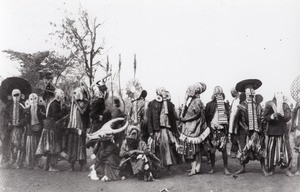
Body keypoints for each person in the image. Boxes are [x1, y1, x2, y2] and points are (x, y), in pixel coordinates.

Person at [234, 79, 268, 176]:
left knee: (260, 149)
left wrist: (260, 128)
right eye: (249, 89)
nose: (251, 91)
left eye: (252, 89)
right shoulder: (241, 106)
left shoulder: (258, 106)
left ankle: (263, 169)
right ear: (245, 92)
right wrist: (244, 127)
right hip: (245, 132)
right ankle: (242, 168)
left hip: (257, 132)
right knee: (243, 149)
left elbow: (262, 118)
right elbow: (238, 120)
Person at [147, 87, 179, 174]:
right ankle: (157, 167)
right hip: (156, 130)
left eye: (163, 90)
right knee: (154, 149)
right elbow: (149, 118)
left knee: (166, 148)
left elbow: (172, 118)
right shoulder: (152, 103)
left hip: (165, 129)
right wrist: (150, 131)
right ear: (157, 92)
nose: (162, 92)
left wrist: (173, 130)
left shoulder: (168, 104)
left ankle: (168, 168)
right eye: (160, 91)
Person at [178, 82, 208, 176]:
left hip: (194, 128)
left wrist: (186, 119)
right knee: (193, 148)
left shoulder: (197, 101)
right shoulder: (193, 100)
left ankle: (194, 169)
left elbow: (197, 114)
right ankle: (195, 168)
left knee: (193, 149)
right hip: (191, 127)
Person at [264, 91, 293, 177]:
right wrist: (272, 116)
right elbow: (265, 117)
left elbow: (288, 117)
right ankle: (271, 169)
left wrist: (284, 115)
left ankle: (287, 169)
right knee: (272, 151)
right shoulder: (270, 105)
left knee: (285, 151)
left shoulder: (285, 105)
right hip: (272, 132)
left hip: (282, 131)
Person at [36, 89, 66, 172]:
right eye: (61, 94)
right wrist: (63, 112)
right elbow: (56, 115)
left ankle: (47, 165)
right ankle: (51, 166)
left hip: (49, 126)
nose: (63, 96)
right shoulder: (55, 103)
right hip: (52, 127)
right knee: (53, 147)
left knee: (50, 147)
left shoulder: (53, 102)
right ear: (57, 95)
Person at [205, 86, 231, 175]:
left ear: (222, 94)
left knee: (224, 150)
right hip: (212, 130)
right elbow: (206, 118)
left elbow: (229, 117)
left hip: (222, 130)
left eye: (219, 94)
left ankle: (225, 168)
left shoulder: (225, 105)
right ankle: (212, 168)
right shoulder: (209, 105)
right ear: (214, 94)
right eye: (216, 94)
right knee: (212, 150)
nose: (218, 95)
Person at [66, 86, 90, 171]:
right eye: (74, 93)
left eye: (76, 93)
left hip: (81, 126)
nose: (75, 95)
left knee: (81, 145)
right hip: (72, 126)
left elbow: (83, 112)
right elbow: (69, 112)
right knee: (72, 144)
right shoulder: (72, 102)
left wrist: (75, 102)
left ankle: (82, 164)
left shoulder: (86, 102)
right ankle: (71, 164)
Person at [3, 89, 27, 169]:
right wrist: (8, 122)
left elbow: (26, 117)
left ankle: (18, 162)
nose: (16, 97)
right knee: (8, 144)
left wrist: (20, 123)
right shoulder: (9, 105)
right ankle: (8, 161)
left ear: (20, 95)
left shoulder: (23, 105)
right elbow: (5, 116)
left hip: (19, 128)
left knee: (19, 145)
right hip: (10, 128)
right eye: (14, 95)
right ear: (12, 96)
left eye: (18, 95)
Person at [25, 93, 46, 170]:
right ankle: (31, 164)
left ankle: (38, 163)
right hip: (30, 130)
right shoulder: (27, 108)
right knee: (31, 147)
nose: (33, 101)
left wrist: (41, 110)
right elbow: (26, 120)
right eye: (31, 99)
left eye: (35, 99)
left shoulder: (41, 107)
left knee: (38, 147)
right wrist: (27, 110)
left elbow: (44, 116)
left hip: (39, 130)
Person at [228, 87, 240, 158]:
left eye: (233, 93)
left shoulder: (240, 100)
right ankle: (234, 151)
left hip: (238, 120)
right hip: (232, 120)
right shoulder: (233, 101)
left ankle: (237, 151)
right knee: (233, 136)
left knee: (237, 135)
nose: (232, 94)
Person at [292, 92, 300, 176]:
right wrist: (294, 123)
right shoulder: (299, 102)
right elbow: (294, 113)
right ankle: (299, 170)